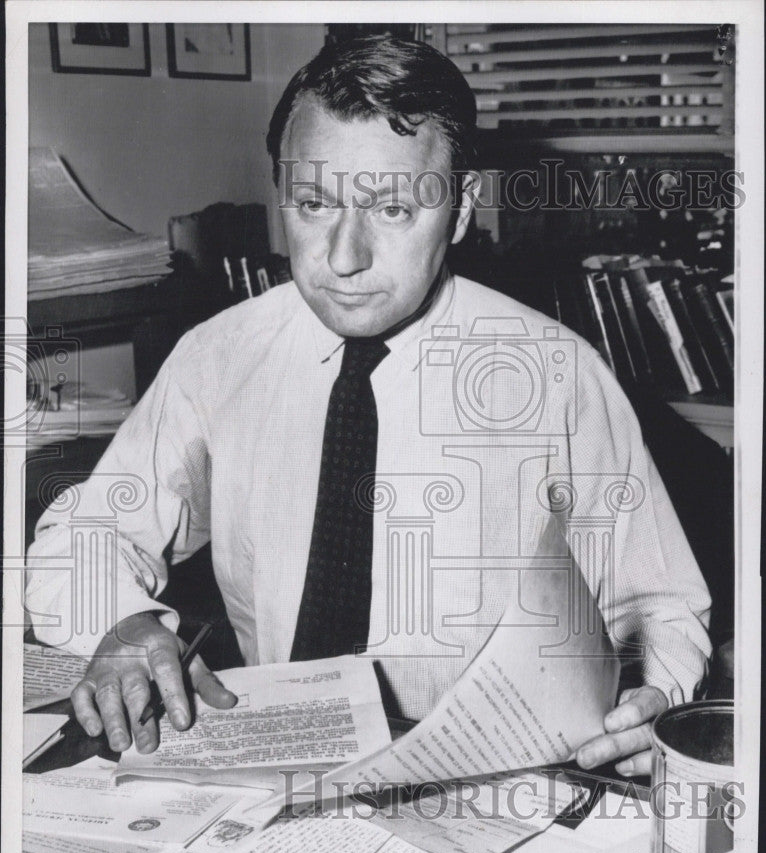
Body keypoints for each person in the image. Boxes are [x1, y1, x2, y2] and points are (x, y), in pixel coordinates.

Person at [25, 35, 711, 777]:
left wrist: (655, 701)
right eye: (314, 204)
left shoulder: (557, 375)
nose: (344, 258)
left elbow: (664, 607)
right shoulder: (218, 357)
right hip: (276, 766)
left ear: (460, 211)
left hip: (495, 778)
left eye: (392, 209)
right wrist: (122, 619)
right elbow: (87, 531)